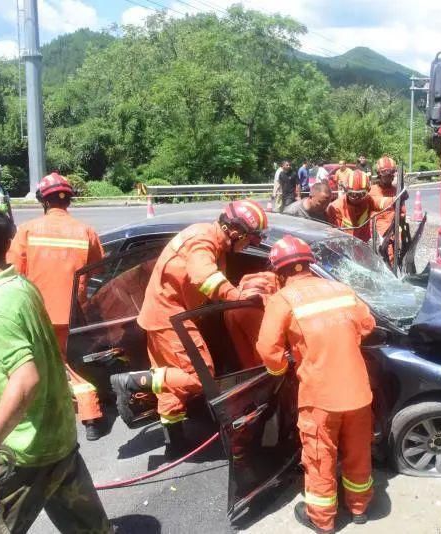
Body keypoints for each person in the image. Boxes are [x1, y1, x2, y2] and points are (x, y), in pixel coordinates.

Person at [0, 206, 110, 534]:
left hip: (24, 455)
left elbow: (25, 379)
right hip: (58, 439)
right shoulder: (21, 287)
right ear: (7, 244)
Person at [110, 200, 268, 455]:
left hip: (163, 314)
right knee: (199, 375)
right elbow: (204, 277)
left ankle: (175, 443)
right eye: (250, 240)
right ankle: (133, 382)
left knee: (171, 380)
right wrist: (238, 297)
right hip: (170, 317)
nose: (249, 246)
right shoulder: (203, 240)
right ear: (236, 232)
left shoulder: (208, 238)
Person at [256, 235, 375, 534]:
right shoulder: (340, 289)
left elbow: (268, 350)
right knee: (358, 451)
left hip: (320, 397)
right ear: (309, 264)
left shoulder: (282, 300)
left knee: (320, 458)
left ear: (279, 272)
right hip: (359, 392)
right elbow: (367, 325)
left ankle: (322, 521)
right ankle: (359, 508)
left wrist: (283, 367)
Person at [6, 172, 107, 441]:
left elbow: (13, 273)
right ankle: (87, 417)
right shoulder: (86, 231)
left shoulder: (27, 230)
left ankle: (81, 413)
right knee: (66, 361)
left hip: (37, 313)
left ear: (43, 200)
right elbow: (99, 266)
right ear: (69, 201)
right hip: (72, 313)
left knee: (44, 365)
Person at [326, 170, 378, 243]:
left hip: (365, 247)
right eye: (352, 194)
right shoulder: (335, 207)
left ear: (368, 191)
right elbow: (333, 236)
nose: (356, 198)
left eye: (361, 194)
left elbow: (384, 203)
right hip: (345, 247)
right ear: (345, 191)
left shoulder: (369, 200)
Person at [369, 156, 403, 263]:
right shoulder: (372, 191)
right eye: (386, 175)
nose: (389, 177)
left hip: (395, 232)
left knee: (396, 260)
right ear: (379, 174)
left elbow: (402, 212)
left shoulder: (396, 190)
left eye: (391, 174)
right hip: (380, 234)